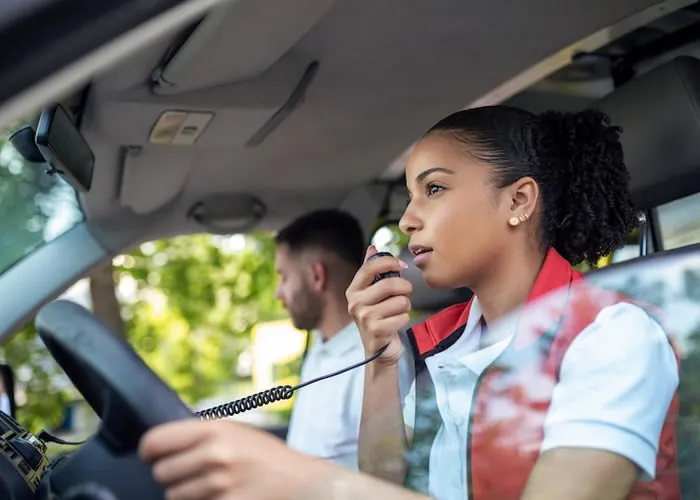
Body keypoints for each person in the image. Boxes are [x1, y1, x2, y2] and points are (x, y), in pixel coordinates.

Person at [138, 105, 680, 500]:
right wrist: (382, 356)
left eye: (434, 190)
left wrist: (298, 478)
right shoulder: (440, 337)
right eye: (410, 197)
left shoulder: (613, 334)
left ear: (518, 200)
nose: (407, 220)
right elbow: (381, 482)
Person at [272, 209, 372, 469]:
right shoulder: (321, 346)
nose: (278, 294)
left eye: (284, 277)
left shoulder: (374, 363)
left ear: (317, 276)